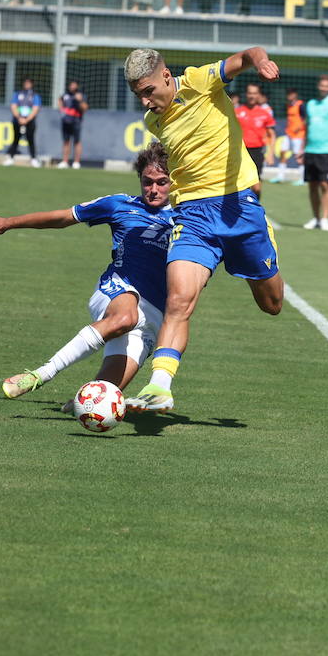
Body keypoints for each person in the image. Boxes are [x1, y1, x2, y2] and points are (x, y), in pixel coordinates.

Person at [121, 45, 285, 412]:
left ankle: (265, 246)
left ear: (166, 76)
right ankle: (159, 386)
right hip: (193, 217)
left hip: (238, 208)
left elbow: (248, 54)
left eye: (149, 91)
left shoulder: (198, 81)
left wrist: (261, 63)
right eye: (138, 96)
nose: (146, 102)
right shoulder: (155, 121)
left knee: (271, 304)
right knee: (178, 301)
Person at [0, 142, 177, 404]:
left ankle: (74, 407)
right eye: (147, 181)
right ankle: (42, 374)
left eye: (161, 182)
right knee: (125, 317)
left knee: (97, 400)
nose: (153, 189)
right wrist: (8, 223)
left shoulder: (190, 217)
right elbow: (63, 217)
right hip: (119, 288)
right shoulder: (119, 204)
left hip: (156, 316)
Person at [301, 74, 328, 230]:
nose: (324, 88)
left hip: (326, 151)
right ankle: (316, 218)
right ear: (318, 86)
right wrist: (302, 149)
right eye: (322, 85)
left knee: (325, 185)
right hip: (310, 150)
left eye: (327, 86)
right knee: (312, 186)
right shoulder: (310, 104)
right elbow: (307, 127)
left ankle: (325, 218)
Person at [234, 81, 275, 192]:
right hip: (240, 151)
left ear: (259, 95)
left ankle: (256, 207)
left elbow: (272, 134)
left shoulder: (265, 113)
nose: (252, 96)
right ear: (246, 94)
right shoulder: (236, 112)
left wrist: (271, 153)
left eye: (255, 93)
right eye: (250, 93)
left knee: (256, 187)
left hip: (257, 152)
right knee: (241, 185)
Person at [4, 78, 42, 168]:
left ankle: (33, 159)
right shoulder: (17, 94)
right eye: (26, 83)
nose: (27, 84)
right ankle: (11, 158)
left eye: (29, 83)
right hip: (17, 121)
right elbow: (13, 106)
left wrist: (27, 119)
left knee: (31, 140)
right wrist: (19, 117)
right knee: (15, 139)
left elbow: (35, 109)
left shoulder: (35, 95)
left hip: (29, 121)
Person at [58, 80, 86, 169]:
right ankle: (65, 161)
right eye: (71, 85)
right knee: (66, 141)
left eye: (74, 85)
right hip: (66, 121)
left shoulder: (81, 95)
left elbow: (85, 108)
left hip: (76, 121)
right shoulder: (65, 95)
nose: (72, 87)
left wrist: (80, 101)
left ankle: (76, 162)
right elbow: (60, 103)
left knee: (77, 141)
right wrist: (62, 111)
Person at [282, 88, 306, 170]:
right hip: (289, 133)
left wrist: (299, 128)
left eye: (291, 94)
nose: (289, 96)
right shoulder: (288, 105)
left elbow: (306, 119)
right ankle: (281, 175)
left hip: (298, 134)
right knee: (282, 151)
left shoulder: (301, 105)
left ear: (295, 95)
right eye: (288, 94)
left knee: (298, 155)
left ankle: (301, 176)